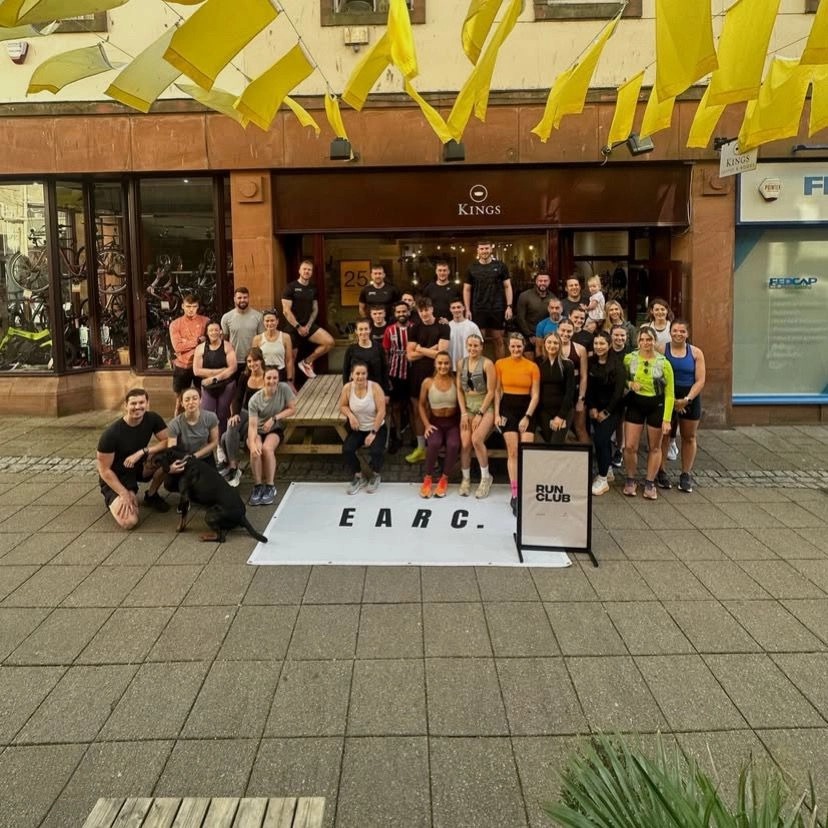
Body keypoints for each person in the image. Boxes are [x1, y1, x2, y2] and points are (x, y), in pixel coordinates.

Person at [96, 388, 171, 529]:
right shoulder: (111, 434)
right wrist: (123, 493)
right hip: (117, 476)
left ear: (147, 403)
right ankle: (119, 497)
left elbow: (170, 441)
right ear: (126, 405)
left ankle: (152, 495)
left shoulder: (152, 418)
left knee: (168, 456)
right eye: (133, 403)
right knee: (130, 522)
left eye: (141, 402)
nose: (138, 407)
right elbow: (104, 470)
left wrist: (143, 451)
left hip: (138, 467)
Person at [621, 326, 675, 501]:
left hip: (656, 405)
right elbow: (621, 380)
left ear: (655, 341)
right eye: (642, 340)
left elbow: (670, 394)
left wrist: (667, 419)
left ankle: (650, 482)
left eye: (649, 340)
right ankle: (630, 479)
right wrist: (630, 385)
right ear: (638, 342)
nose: (646, 343)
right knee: (630, 446)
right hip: (636, 404)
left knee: (655, 447)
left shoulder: (664, 362)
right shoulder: (629, 359)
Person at [495, 332, 540, 516]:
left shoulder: (532, 366)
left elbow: (535, 394)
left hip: (526, 410)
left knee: (526, 450)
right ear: (508, 347)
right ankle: (515, 493)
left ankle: (526, 489)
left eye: (519, 346)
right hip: (507, 410)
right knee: (512, 452)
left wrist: (527, 416)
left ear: (523, 346)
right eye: (512, 346)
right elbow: (497, 390)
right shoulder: (500, 364)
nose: (516, 349)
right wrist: (497, 413)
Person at [658, 319, 705, 493]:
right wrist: (671, 400)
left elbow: (700, 380)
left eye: (682, 331)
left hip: (689, 398)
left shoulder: (696, 353)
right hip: (667, 397)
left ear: (688, 334)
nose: (678, 334)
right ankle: (661, 471)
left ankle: (685, 473)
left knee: (689, 436)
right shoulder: (662, 349)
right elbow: (657, 375)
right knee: (664, 435)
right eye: (675, 331)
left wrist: (687, 399)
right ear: (670, 332)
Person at [405, 297, 450, 464]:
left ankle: (435, 449)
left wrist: (421, 349)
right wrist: (432, 349)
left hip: (437, 373)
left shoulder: (443, 326)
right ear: (418, 311)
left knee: (434, 412)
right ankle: (420, 448)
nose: (424, 313)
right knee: (418, 411)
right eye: (421, 310)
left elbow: (442, 353)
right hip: (417, 373)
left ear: (432, 309)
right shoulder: (415, 327)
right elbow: (410, 355)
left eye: (427, 309)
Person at [247, 365, 297, 506]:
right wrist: (252, 443)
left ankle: (270, 486)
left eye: (275, 377)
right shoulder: (255, 400)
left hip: (275, 429)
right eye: (269, 378)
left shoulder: (284, 389)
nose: (272, 381)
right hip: (258, 430)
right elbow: (252, 426)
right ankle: (257, 486)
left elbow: (292, 409)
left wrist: (274, 418)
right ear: (264, 380)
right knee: (256, 451)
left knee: (267, 449)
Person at [165, 387, 220, 513]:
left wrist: (195, 455)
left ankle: (195, 493)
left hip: (204, 457)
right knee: (169, 483)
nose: (191, 402)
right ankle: (185, 496)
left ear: (200, 400)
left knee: (212, 486)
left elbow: (214, 442)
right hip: (184, 459)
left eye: (195, 398)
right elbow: (171, 449)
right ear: (182, 403)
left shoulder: (210, 417)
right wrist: (172, 465)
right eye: (187, 400)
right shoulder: (175, 424)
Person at [586, 332, 626, 495]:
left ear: (609, 345)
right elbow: (589, 388)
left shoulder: (617, 365)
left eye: (602, 344)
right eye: (596, 344)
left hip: (613, 409)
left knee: (601, 439)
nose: (598, 347)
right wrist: (592, 407)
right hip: (595, 409)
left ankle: (602, 478)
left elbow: (618, 393)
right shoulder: (591, 362)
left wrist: (607, 411)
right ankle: (607, 470)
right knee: (600, 442)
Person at [456, 333, 496, 498]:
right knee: (465, 443)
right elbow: (459, 389)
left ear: (481, 347)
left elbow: (492, 391)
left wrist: (480, 413)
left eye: (476, 346)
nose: (473, 348)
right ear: (467, 346)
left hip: (485, 407)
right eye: (470, 345)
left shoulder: (487, 364)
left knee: (476, 439)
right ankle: (466, 479)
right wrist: (464, 413)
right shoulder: (461, 363)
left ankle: (486, 477)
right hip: (468, 407)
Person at [281, 259, 335, 379]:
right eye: (304, 269)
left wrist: (308, 326)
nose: (307, 271)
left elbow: (315, 309)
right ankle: (291, 388)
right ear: (299, 270)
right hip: (292, 328)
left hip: (307, 326)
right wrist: (298, 327)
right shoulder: (291, 287)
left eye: (309, 270)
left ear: (311, 272)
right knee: (291, 360)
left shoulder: (312, 288)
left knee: (329, 342)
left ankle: (306, 362)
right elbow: (286, 311)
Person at [219, 347, 266, 487]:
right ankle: (234, 467)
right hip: (246, 413)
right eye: (249, 361)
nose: (252, 364)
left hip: (261, 416)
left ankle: (233, 468)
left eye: (255, 360)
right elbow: (237, 398)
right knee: (232, 423)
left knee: (224, 437)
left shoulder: (268, 375)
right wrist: (234, 414)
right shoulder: (245, 375)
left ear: (261, 360)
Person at [339, 360, 387, 495]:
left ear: (367, 374)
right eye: (357, 373)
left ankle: (376, 474)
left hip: (376, 427)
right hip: (358, 428)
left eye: (363, 373)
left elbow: (382, 411)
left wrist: (373, 433)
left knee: (376, 452)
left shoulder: (375, 388)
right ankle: (358, 476)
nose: (360, 376)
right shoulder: (348, 388)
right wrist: (350, 416)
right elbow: (342, 405)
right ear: (352, 375)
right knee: (347, 449)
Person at [418, 351, 461, 498]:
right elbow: (421, 405)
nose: (443, 366)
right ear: (435, 364)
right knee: (434, 443)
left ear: (450, 365)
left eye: (446, 363)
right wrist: (426, 424)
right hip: (435, 422)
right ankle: (428, 477)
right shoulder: (427, 382)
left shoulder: (456, 380)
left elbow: (462, 404)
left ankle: (444, 478)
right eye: (440, 363)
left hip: (452, 423)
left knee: (454, 445)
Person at [463, 241, 513, 359]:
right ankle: (480, 370)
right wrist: (467, 309)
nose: (484, 251)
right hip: (478, 307)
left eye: (486, 248)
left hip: (497, 307)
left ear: (491, 249)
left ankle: (499, 368)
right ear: (478, 251)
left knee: (498, 339)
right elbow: (466, 289)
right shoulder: (471, 267)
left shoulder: (501, 266)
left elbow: (507, 286)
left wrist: (509, 306)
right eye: (482, 249)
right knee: (479, 341)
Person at [193, 321, 237, 437]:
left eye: (216, 330)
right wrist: (221, 370)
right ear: (207, 333)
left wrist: (215, 378)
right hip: (208, 387)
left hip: (226, 385)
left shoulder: (227, 346)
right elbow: (197, 371)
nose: (214, 332)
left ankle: (220, 444)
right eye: (211, 330)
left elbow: (232, 368)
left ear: (220, 331)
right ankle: (207, 441)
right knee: (207, 415)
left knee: (222, 414)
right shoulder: (200, 349)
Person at [169, 294, 208, 415]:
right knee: (180, 401)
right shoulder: (175, 324)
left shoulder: (206, 321)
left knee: (202, 400)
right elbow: (177, 347)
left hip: (201, 365)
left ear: (198, 307)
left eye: (194, 306)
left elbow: (210, 342)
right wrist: (197, 341)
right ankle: (178, 430)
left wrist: (186, 342)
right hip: (182, 366)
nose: (191, 309)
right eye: (188, 306)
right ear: (182, 306)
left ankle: (201, 427)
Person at [382, 301, 413, 454]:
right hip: (395, 373)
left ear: (409, 312)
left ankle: (416, 437)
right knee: (396, 407)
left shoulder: (415, 328)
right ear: (395, 314)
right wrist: (386, 375)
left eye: (404, 311)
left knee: (413, 406)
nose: (401, 314)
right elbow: (386, 353)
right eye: (398, 312)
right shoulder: (389, 330)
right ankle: (398, 437)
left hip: (413, 373)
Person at [646, 297, 675, 458]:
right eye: (656, 309)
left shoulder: (672, 328)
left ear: (667, 310)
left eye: (662, 309)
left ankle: (671, 440)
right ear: (651, 311)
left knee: (668, 404)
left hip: (667, 370)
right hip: (649, 372)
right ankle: (654, 440)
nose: (659, 312)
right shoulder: (646, 327)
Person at [537, 331, 575, 445]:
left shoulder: (568, 364)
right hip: (544, 411)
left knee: (556, 443)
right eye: (549, 342)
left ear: (560, 345)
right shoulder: (539, 362)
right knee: (549, 443)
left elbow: (570, 392)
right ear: (544, 344)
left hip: (563, 411)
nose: (552, 345)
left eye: (555, 343)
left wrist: (561, 416)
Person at [557, 319, 589, 444]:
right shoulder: (551, 345)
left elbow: (584, 376)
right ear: (557, 330)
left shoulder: (580, 349)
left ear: (573, 332)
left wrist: (581, 399)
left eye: (569, 331)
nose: (565, 333)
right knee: (561, 429)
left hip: (575, 391)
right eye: (563, 330)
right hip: (557, 392)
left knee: (580, 428)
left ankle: (588, 460)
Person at [220, 287, 263, 376]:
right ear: (234, 299)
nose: (242, 300)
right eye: (239, 298)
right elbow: (224, 341)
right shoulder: (226, 317)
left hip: (253, 361)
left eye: (245, 297)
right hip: (234, 361)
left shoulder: (258, 316)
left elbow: (261, 340)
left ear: (248, 298)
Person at [342, 318, 389, 391]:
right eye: (360, 329)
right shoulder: (351, 349)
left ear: (370, 330)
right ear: (356, 331)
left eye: (366, 329)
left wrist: (386, 391)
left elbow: (384, 370)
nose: (363, 332)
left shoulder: (378, 348)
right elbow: (345, 371)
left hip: (376, 388)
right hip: (356, 389)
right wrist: (346, 389)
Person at [251, 309, 294, 385]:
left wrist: (290, 380)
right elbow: (254, 361)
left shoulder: (285, 337)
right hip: (264, 374)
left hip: (280, 374)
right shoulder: (257, 339)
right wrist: (254, 378)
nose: (270, 323)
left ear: (277, 321)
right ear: (263, 322)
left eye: (272, 320)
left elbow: (289, 360)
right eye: (267, 321)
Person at [609, 324, 631, 468]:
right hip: (608, 392)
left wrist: (627, 387)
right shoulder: (606, 351)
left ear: (627, 337)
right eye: (616, 335)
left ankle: (620, 449)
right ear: (611, 336)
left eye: (622, 335)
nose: (619, 338)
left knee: (621, 422)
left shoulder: (631, 354)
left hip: (625, 393)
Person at [516, 272, 552, 349]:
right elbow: (520, 317)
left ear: (549, 282)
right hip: (528, 335)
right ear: (536, 281)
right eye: (540, 281)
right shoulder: (525, 296)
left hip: (546, 336)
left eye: (545, 281)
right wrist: (529, 335)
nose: (543, 283)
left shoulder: (553, 298)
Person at [447, 298, 482, 368]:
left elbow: (480, 347)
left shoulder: (472, 326)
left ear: (463, 308)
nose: (456, 310)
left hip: (469, 366)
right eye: (453, 308)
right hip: (451, 366)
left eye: (458, 307)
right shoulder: (447, 327)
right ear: (450, 310)